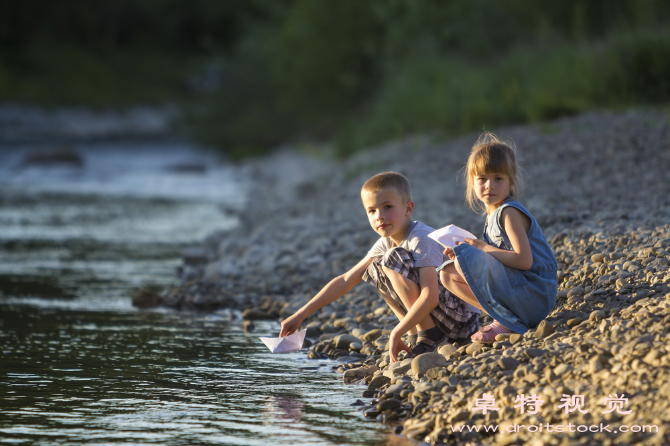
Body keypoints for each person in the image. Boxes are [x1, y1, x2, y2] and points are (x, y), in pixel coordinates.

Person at [280, 172, 479, 362]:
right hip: (440, 316)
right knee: (374, 267)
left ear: (408, 208)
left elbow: (431, 296)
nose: (379, 216)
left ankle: (430, 336)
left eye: (387, 207)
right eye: (372, 211)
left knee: (392, 259)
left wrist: (396, 331)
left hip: (461, 321)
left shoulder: (421, 238)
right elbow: (346, 280)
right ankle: (416, 335)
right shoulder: (386, 241)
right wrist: (300, 315)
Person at [439, 133, 557, 343]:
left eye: (498, 179)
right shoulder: (491, 215)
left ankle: (509, 322)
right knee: (447, 273)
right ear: (473, 183)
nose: (489, 185)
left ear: (511, 183)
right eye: (482, 179)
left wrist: (482, 248)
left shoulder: (509, 212)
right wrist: (461, 256)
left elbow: (524, 260)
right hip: (519, 292)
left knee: (468, 252)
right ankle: (504, 317)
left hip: (535, 293)